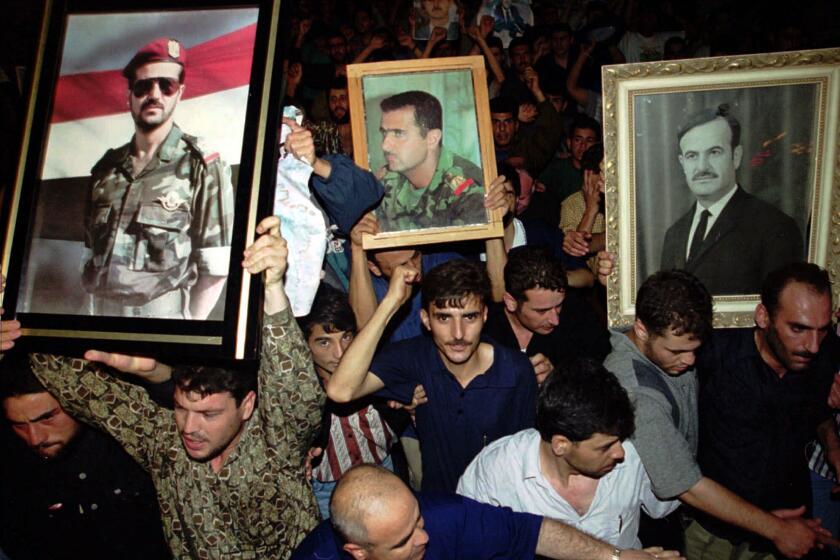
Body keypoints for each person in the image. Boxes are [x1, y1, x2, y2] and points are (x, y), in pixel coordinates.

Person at [23, 215, 324, 558]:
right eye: (182, 408)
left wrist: (272, 288)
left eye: (209, 413)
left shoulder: (276, 444)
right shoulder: (163, 442)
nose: (189, 427)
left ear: (247, 404)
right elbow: (69, 379)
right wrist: (17, 306)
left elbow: (295, 387)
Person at [604, 269, 829, 559]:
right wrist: (776, 529)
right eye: (677, 351)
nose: (690, 360)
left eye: (695, 350)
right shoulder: (637, 393)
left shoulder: (668, 344)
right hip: (652, 528)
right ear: (643, 329)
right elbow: (686, 485)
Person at [326, 259, 537, 493]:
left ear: (484, 316)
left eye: (469, 317)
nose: (458, 334)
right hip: (439, 509)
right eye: (444, 318)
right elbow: (340, 390)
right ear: (426, 320)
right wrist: (390, 303)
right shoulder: (415, 357)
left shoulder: (514, 370)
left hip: (498, 506)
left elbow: (524, 455)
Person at [688, 262, 840, 557]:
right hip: (713, 534)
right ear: (763, 316)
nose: (812, 346)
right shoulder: (715, 353)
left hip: (791, 529)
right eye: (798, 328)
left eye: (822, 331)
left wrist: (834, 447)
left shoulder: (825, 352)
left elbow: (816, 411)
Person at [83, 37, 234, 319]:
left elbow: (214, 270)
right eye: (143, 86)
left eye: (166, 85)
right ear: (129, 94)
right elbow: (89, 253)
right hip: (98, 315)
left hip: (160, 318)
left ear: (180, 92)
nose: (155, 94)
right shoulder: (105, 168)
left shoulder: (202, 165)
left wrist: (186, 330)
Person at [458, 359, 678, 548]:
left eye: (619, 441)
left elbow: (668, 503)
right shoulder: (496, 470)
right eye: (605, 447)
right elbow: (468, 540)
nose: (620, 453)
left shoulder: (634, 453)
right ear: (561, 445)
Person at [292, 464, 682, 560]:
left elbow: (530, 531)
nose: (424, 537)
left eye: (418, 522)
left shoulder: (446, 514)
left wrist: (615, 557)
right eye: (403, 541)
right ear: (357, 552)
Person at [0, 353, 170, 559]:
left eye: (47, 418)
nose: (35, 438)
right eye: (19, 425)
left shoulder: (128, 438)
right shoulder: (16, 468)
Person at [659, 104, 803, 295]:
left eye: (714, 152)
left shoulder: (774, 228)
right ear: (682, 163)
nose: (702, 167)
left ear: (736, 157)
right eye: (692, 156)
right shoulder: (674, 235)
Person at [299, 283, 414, 519]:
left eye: (346, 337)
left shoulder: (376, 369)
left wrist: (407, 404)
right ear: (305, 344)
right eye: (324, 342)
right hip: (327, 488)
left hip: (383, 470)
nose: (339, 352)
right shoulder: (299, 388)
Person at [483, 245, 610, 383]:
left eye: (559, 306)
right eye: (541, 311)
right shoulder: (485, 329)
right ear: (511, 302)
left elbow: (602, 376)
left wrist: (558, 378)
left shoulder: (578, 316)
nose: (555, 320)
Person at [375, 90, 486, 231]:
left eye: (399, 133)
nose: (385, 145)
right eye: (384, 133)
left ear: (432, 139)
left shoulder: (468, 189)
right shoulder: (386, 180)